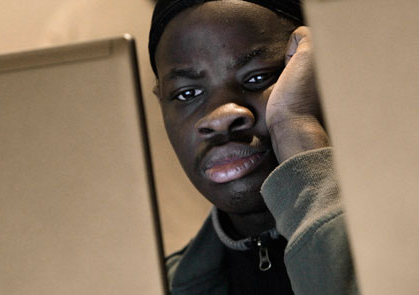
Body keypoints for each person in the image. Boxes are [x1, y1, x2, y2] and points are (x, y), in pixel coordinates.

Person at [148, 0, 359, 294]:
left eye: (259, 77)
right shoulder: (160, 287)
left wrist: (294, 122)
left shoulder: (414, 239)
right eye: (188, 93)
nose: (220, 118)